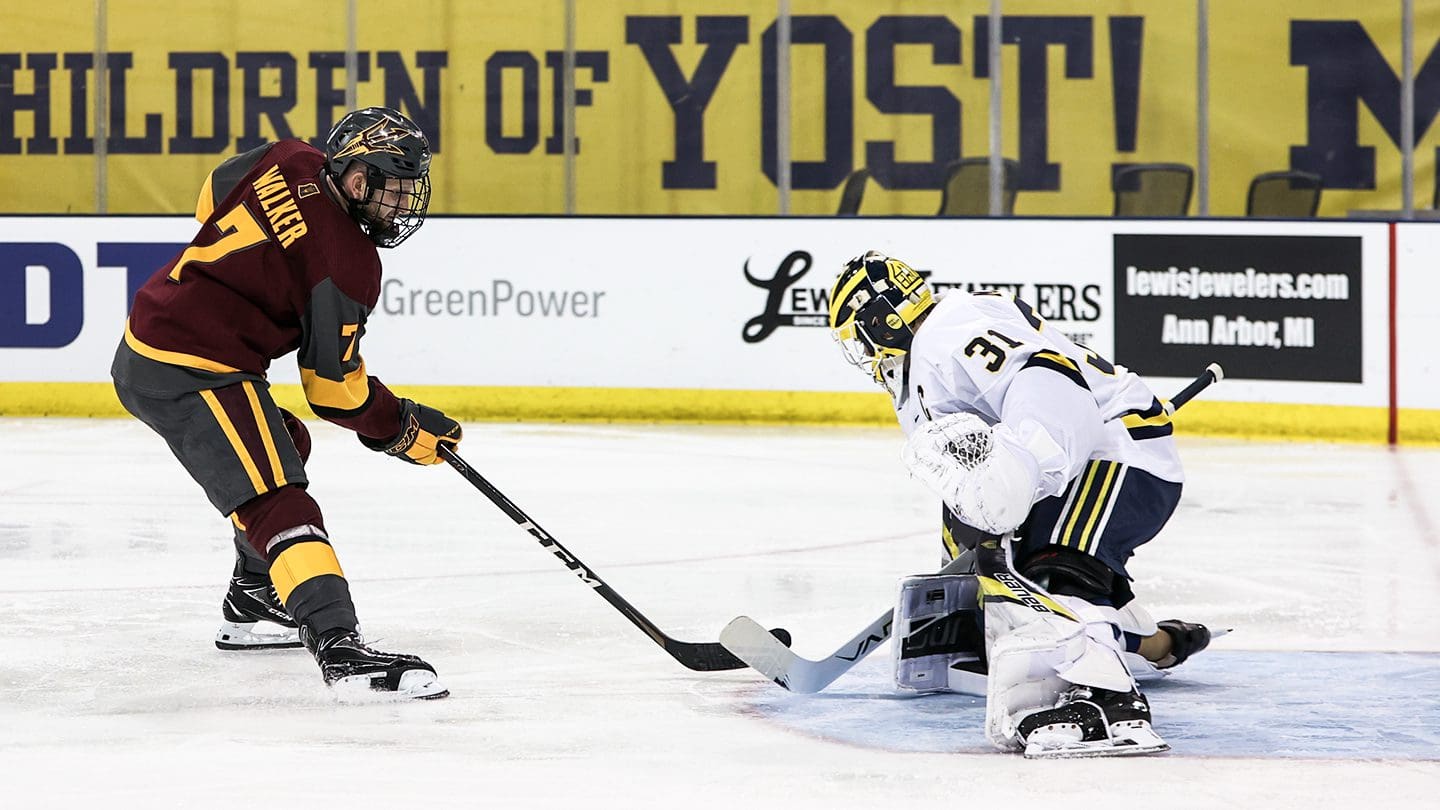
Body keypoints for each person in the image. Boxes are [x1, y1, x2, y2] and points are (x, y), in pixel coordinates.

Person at [111, 107, 461, 700]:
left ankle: (255, 594)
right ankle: (341, 648)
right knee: (278, 499)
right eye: (393, 191)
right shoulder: (346, 265)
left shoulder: (289, 156)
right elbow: (332, 391)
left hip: (160, 336)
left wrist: (253, 277)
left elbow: (214, 191)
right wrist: (396, 426)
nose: (403, 206)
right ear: (356, 179)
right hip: (193, 366)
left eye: (409, 191)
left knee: (284, 445)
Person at [826, 250, 1214, 757]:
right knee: (1015, 580)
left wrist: (1027, 465)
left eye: (861, 333)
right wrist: (963, 575)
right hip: (1072, 464)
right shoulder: (920, 371)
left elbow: (1047, 375)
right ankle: (1152, 644)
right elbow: (968, 471)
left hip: (1116, 450)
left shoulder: (949, 329)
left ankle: (1110, 705)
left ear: (885, 316)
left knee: (1055, 574)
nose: (863, 350)